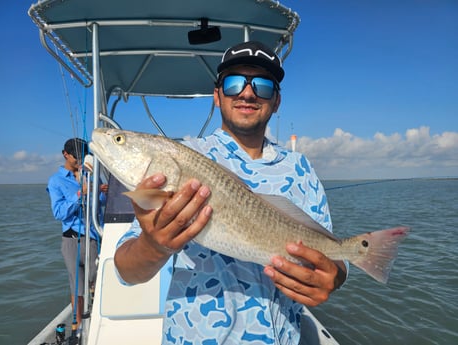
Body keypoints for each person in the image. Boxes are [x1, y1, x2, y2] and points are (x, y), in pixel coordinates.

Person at [114, 41, 348, 344]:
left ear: (276, 101)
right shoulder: (182, 158)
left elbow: (332, 255)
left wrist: (334, 278)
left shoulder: (300, 168)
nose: (248, 93)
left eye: (263, 85)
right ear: (217, 96)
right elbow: (126, 270)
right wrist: (153, 246)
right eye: (234, 82)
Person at [47, 138, 108, 329]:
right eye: (76, 156)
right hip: (72, 239)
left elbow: (100, 203)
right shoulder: (56, 181)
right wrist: (79, 194)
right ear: (65, 154)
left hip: (94, 236)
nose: (80, 160)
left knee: (97, 280)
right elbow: (59, 213)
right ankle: (78, 326)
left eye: (83, 156)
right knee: (77, 285)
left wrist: (103, 192)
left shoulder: (91, 173)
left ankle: (99, 318)